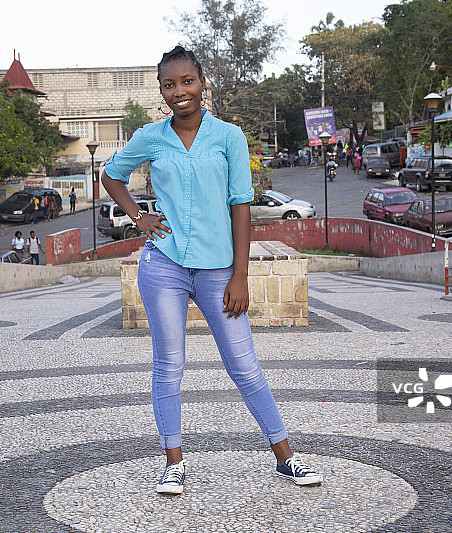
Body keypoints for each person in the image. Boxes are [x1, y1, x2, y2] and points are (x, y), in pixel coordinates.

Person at [100, 45, 322, 496]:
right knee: (169, 365)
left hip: (220, 268)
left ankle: (286, 457)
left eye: (187, 81)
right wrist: (138, 217)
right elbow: (110, 174)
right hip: (163, 264)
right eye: (169, 84)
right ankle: (174, 462)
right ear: (161, 90)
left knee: (244, 365)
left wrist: (240, 275)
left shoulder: (228, 137)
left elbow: (241, 206)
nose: (179, 92)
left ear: (203, 85)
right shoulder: (150, 136)